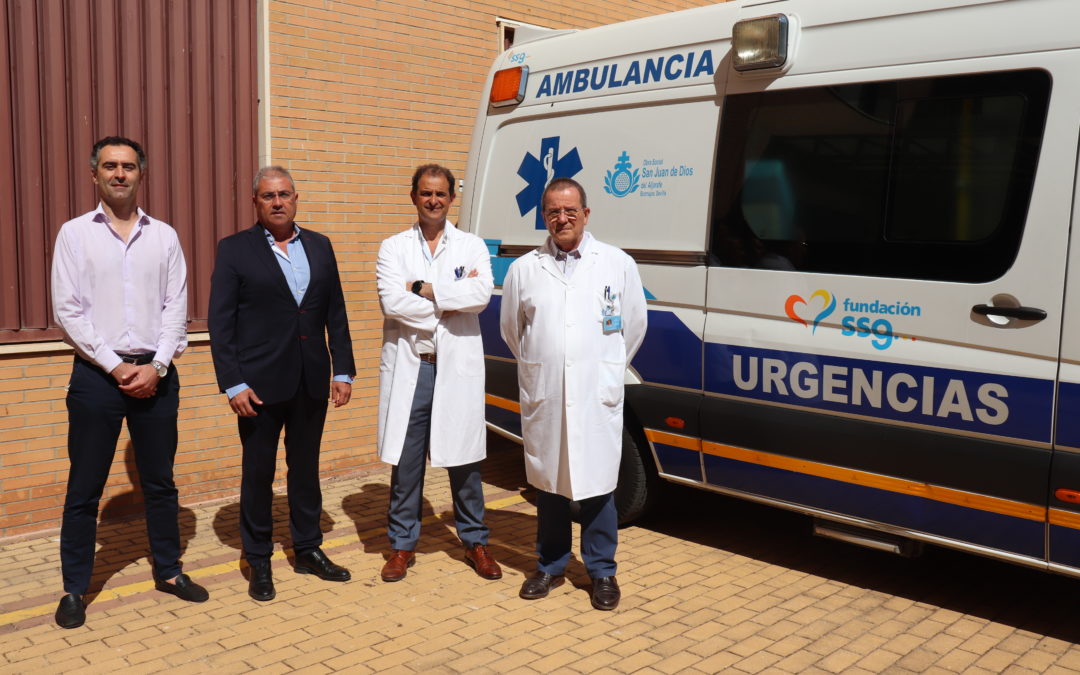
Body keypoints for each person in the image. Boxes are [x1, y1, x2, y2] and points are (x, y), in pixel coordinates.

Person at [51, 136, 208, 629]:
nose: (120, 174)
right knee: (84, 488)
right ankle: (75, 588)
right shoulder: (74, 235)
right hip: (97, 378)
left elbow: (175, 307)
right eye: (110, 166)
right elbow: (67, 310)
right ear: (94, 174)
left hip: (157, 375)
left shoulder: (164, 237)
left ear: (143, 173)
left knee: (160, 483)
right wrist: (116, 367)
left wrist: (157, 366)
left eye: (128, 166)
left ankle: (169, 570)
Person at [208, 166, 355, 601]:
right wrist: (233, 383)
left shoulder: (321, 246)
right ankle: (257, 558)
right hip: (258, 385)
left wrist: (342, 370)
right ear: (255, 202)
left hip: (311, 379)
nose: (277, 202)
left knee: (305, 469)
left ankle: (308, 548)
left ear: (296, 199)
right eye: (268, 195)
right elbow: (221, 323)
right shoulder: (235, 250)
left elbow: (336, 313)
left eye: (285, 194)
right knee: (258, 473)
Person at [499, 177, 647, 611]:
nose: (561, 218)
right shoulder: (525, 268)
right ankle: (550, 564)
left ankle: (602, 571)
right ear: (543, 217)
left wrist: (604, 367)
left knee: (598, 483)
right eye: (552, 212)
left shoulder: (616, 263)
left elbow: (633, 327)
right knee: (550, 484)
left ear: (585, 213)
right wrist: (546, 362)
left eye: (569, 210)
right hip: (547, 392)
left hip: (593, 393)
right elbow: (513, 331)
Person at [375, 164, 501, 583]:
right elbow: (393, 303)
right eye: (426, 193)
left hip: (457, 368)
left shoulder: (471, 245)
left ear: (451, 198)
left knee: (464, 460)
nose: (434, 201)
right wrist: (450, 301)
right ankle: (401, 545)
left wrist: (427, 290)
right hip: (415, 368)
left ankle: (476, 541)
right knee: (407, 463)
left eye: (441, 194)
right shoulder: (393, 248)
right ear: (414, 196)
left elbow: (482, 295)